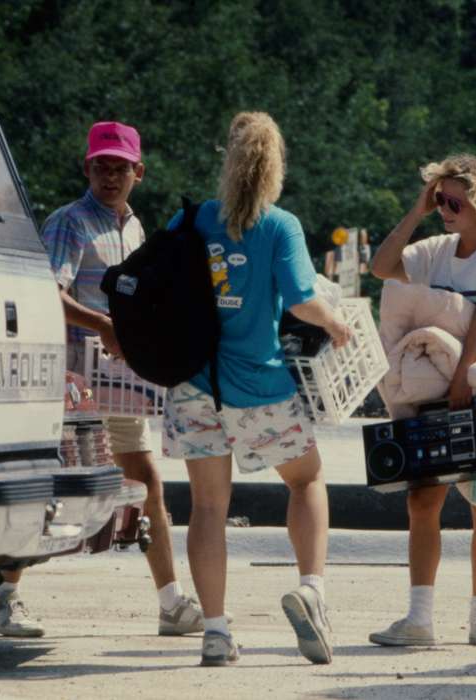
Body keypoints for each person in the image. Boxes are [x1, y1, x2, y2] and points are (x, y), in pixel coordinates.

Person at [0, 121, 207, 639]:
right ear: (87, 168)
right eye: (101, 166)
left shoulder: (135, 227)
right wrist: (105, 323)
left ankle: (171, 603)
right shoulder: (70, 222)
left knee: (147, 484)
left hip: (122, 380)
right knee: (54, 488)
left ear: (138, 172)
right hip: (73, 383)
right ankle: (2, 597)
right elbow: (48, 293)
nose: (110, 175)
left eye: (120, 167)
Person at [161, 111, 351, 667]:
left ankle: (216, 632)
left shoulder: (191, 218)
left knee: (208, 506)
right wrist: (335, 323)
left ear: (229, 158)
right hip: (257, 386)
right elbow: (299, 298)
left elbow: (156, 284)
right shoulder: (279, 225)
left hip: (194, 385)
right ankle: (311, 588)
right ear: (276, 165)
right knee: (307, 478)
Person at [368, 154, 476, 648]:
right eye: (440, 199)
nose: (445, 209)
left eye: (453, 201)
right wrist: (417, 211)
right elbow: (382, 268)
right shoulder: (435, 249)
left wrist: (464, 379)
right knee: (423, 500)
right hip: (432, 386)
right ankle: (419, 617)